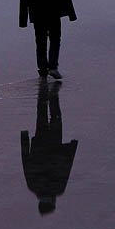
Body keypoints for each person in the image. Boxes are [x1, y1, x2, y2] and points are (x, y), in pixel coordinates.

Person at [21, 80, 78, 215]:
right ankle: (45, 94)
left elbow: (66, 166)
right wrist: (24, 139)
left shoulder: (58, 188)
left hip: (55, 146)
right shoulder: (33, 186)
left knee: (55, 118)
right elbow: (26, 161)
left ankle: (53, 95)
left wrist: (72, 147)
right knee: (41, 116)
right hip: (39, 146)